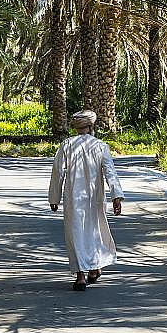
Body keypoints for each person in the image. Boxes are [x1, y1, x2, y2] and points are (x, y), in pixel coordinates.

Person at [49, 110, 124, 291]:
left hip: (73, 199)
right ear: (91, 126)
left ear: (76, 127)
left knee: (76, 234)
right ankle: (93, 268)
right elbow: (110, 172)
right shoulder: (100, 146)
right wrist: (116, 196)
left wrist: (54, 197)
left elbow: (58, 172)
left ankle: (81, 276)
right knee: (94, 232)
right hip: (94, 199)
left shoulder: (67, 145)